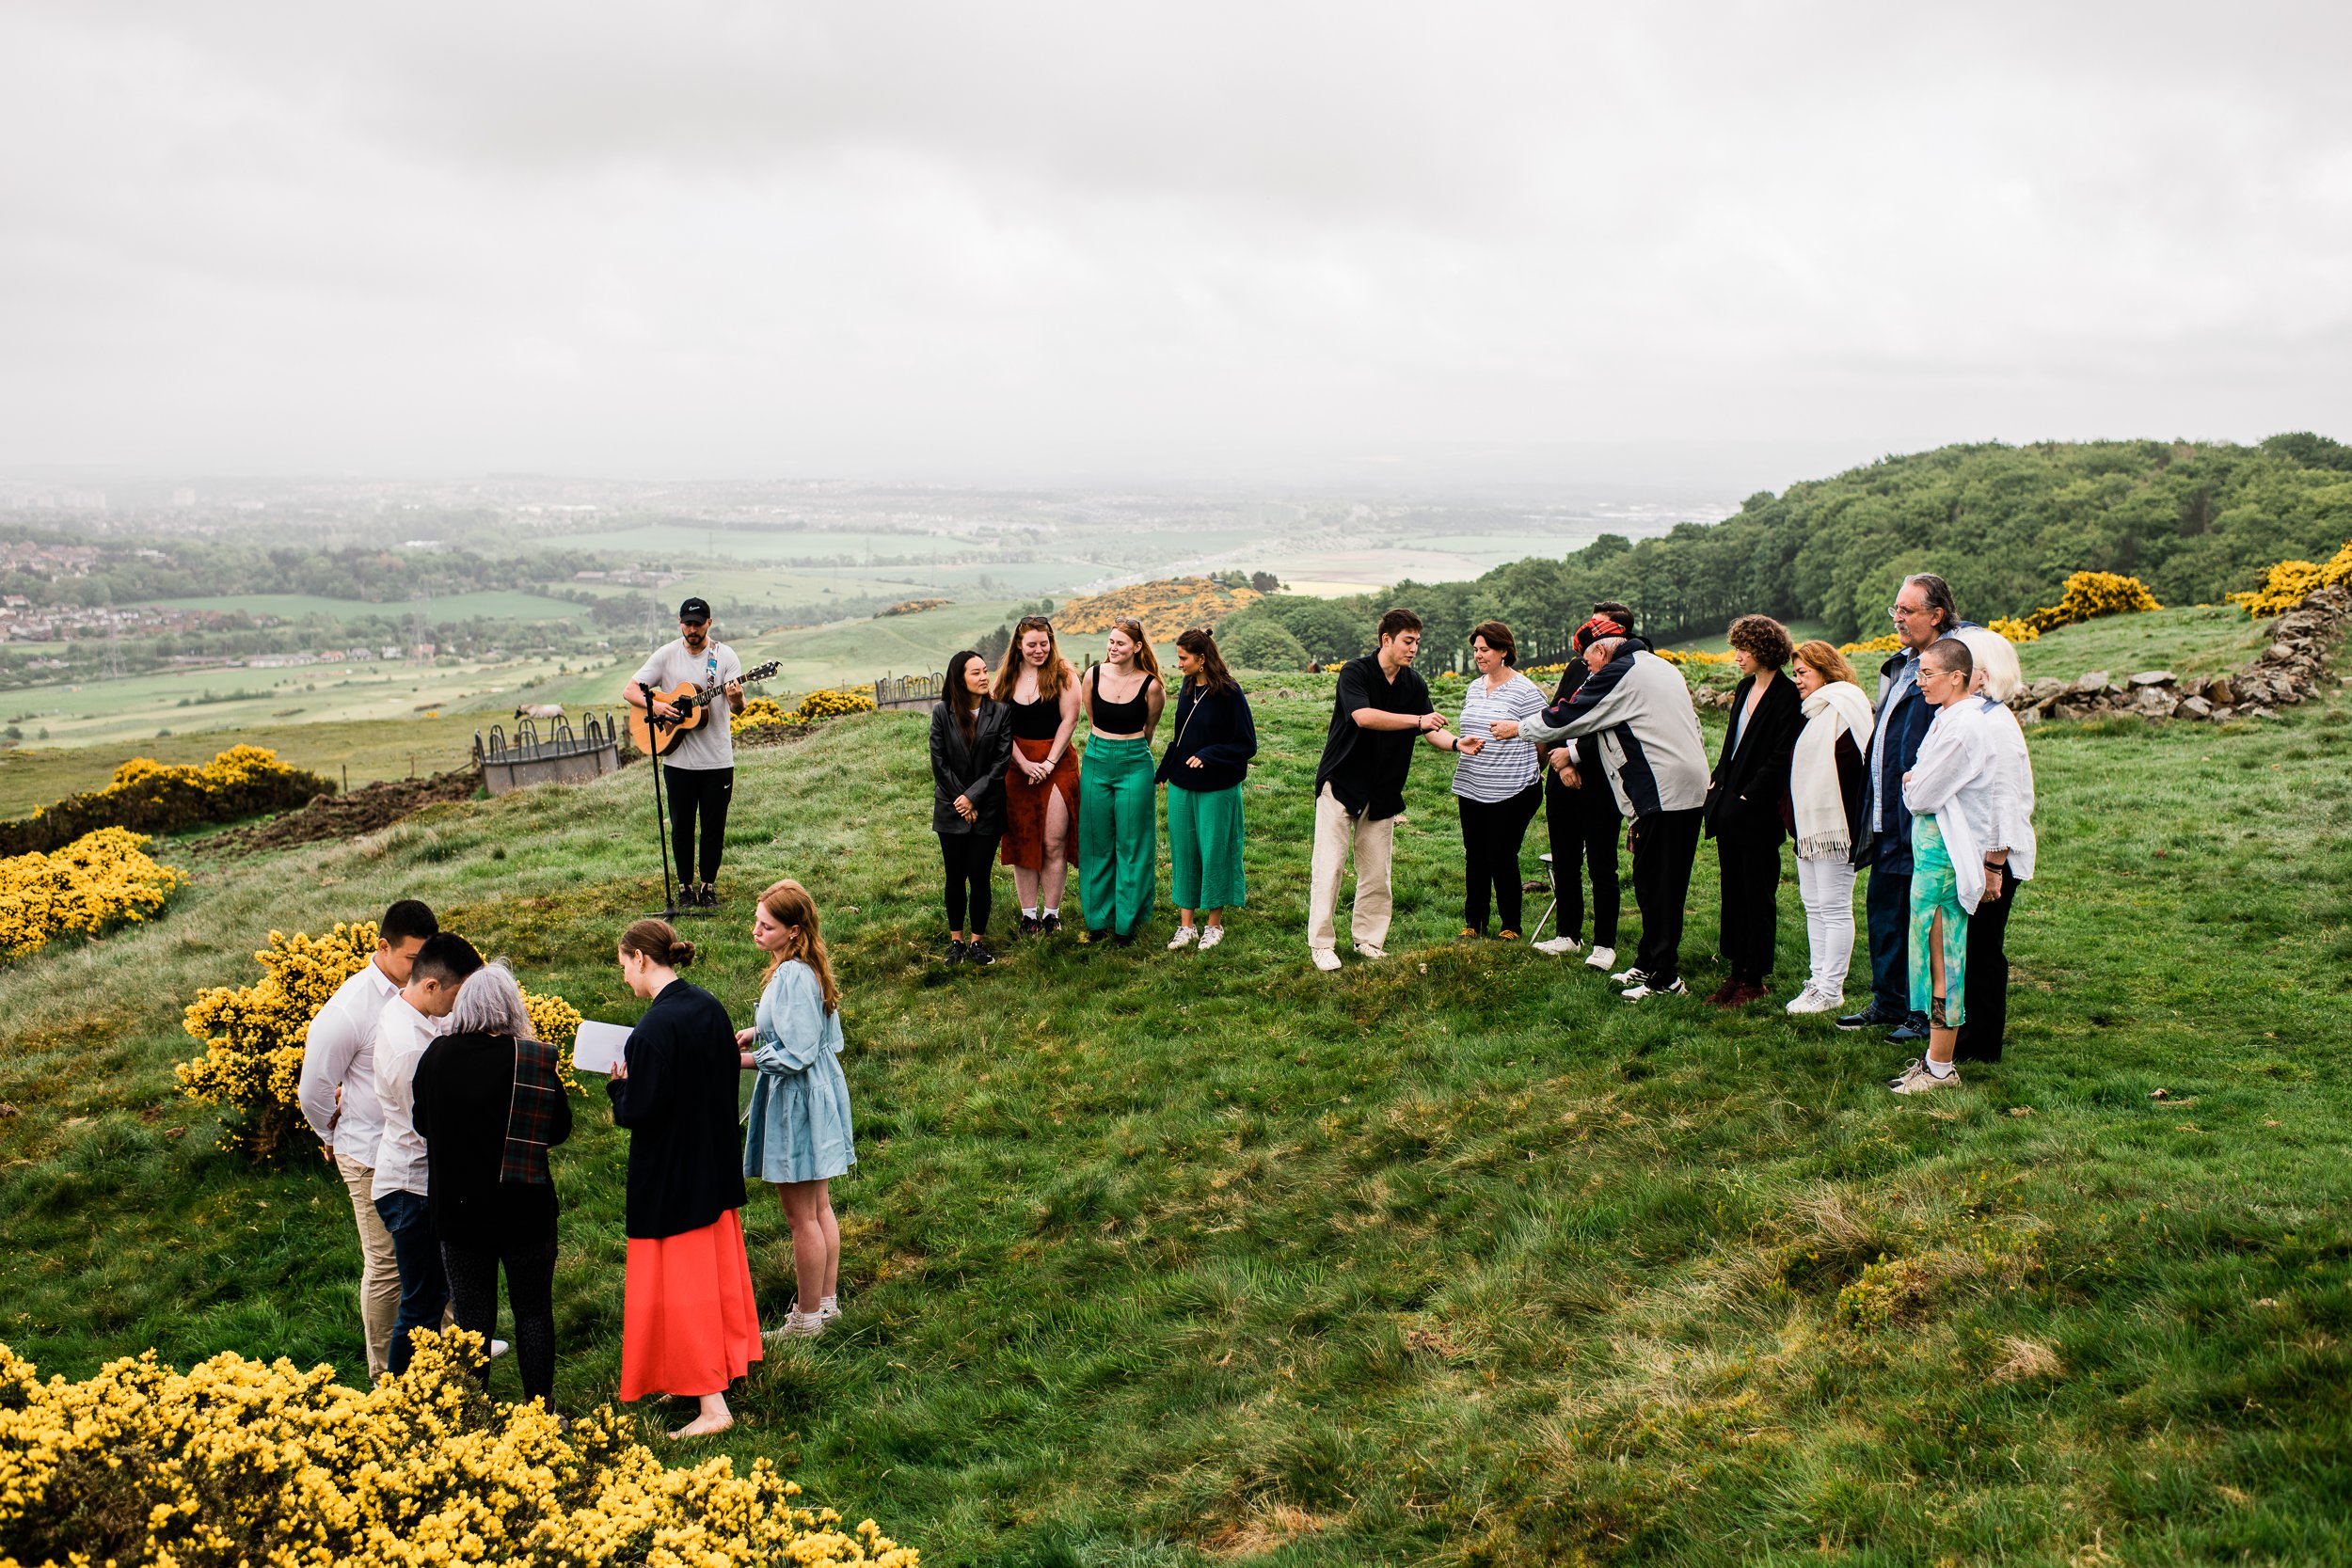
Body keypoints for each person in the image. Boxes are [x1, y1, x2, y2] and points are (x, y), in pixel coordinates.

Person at [1497, 624, 1709, 1001]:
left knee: (1657, 885)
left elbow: (1574, 713)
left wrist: (1519, 728)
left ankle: (1665, 980)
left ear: (1604, 649)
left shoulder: (1620, 672)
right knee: (1658, 881)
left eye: (1588, 658)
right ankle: (1650, 961)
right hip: (1684, 785)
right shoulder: (1657, 666)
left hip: (1661, 791)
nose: (1587, 667)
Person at [606, 919, 758, 1438]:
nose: (624, 975)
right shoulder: (708, 1006)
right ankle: (710, 1372)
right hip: (712, 1167)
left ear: (641, 959)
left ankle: (713, 1407)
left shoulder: (650, 1031)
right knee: (711, 1280)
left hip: (671, 1179)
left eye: (624, 963)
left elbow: (641, 1111)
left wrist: (617, 1090)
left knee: (684, 1287)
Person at [412, 961, 571, 1409]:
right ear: (510, 1005)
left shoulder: (436, 1056)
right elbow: (557, 1130)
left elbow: (422, 1123)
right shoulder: (531, 1057)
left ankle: (473, 1413)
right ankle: (540, 1412)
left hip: (459, 1213)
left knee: (471, 1318)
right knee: (534, 1313)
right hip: (525, 1209)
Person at [298, 897, 438, 1382]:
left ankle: (450, 1345)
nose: (420, 970)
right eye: (410, 959)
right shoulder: (349, 1009)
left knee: (435, 1251)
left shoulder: (426, 988)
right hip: (371, 1154)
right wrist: (331, 1133)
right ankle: (386, 1373)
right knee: (387, 1267)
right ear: (383, 946)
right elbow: (314, 1087)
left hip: (425, 1146)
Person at [1841, 573, 1977, 1044]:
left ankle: (1922, 1014)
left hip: (1921, 815)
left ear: (1936, 615)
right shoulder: (1901, 665)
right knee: (1883, 908)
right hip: (1885, 812)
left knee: (1921, 917)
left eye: (1907, 610)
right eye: (1894, 610)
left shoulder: (1950, 667)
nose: (1897, 618)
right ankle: (1889, 1000)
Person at [736, 879, 855, 1339]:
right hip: (819, 1093)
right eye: (757, 923)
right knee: (819, 1205)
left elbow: (799, 1050)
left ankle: (806, 1320)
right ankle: (826, 1306)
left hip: (798, 1100)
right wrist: (757, 1030)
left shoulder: (790, 974)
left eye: (766, 925)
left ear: (793, 929)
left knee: (800, 1214)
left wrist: (745, 1059)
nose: (756, 932)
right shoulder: (807, 967)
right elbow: (812, 1033)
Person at [1307, 608, 1448, 971]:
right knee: (1330, 866)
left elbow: (1431, 730)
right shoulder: (1356, 672)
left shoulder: (1414, 683)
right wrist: (1418, 721)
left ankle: (1368, 940)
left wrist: (1456, 743)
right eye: (1408, 641)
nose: (1414, 648)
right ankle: (1322, 945)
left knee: (1376, 871)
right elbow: (1363, 717)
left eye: (1417, 641)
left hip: (1383, 788)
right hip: (1342, 782)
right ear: (1387, 639)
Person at [1890, 637, 2001, 1093]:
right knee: (1932, 958)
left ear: (1958, 676)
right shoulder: (1947, 719)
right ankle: (1934, 1058)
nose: (1920, 682)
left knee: (1944, 961)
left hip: (1947, 862)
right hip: (1930, 860)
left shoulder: (1964, 728)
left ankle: (1940, 1067)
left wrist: (1912, 785)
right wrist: (1914, 782)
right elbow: (1918, 782)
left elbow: (1920, 793)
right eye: (1919, 674)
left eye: (1928, 674)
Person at [373, 931, 485, 1376]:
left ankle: (430, 1386)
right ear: (432, 986)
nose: (460, 1007)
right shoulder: (408, 1048)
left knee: (434, 1296)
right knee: (422, 1303)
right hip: (410, 1186)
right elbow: (430, 1130)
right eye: (459, 995)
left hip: (418, 1182)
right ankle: (400, 1399)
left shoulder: (420, 1014)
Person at [1702, 615, 1803, 1006]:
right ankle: (1735, 971)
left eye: (1743, 649)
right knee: (1733, 892)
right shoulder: (1745, 688)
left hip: (1758, 812)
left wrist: (1749, 797)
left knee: (1757, 894)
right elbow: (1730, 745)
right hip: (1729, 806)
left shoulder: (1786, 695)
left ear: (1763, 650)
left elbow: (1781, 756)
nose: (1737, 656)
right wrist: (1717, 781)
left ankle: (1755, 977)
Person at [623, 598, 745, 909]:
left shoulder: (725, 656)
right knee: (681, 826)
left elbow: (739, 709)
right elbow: (630, 690)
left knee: (714, 826)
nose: (693, 629)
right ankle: (684, 888)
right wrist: (658, 706)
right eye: (688, 623)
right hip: (677, 761)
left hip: (717, 760)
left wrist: (737, 697)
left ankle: (708, 887)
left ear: (709, 623)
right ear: (680, 623)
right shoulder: (666, 655)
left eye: (698, 623)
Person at [1533, 604, 1634, 971]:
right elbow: (1561, 711)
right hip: (1563, 779)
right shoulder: (1579, 667)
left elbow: (1615, 728)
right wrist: (1560, 761)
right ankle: (1567, 934)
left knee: (1603, 866)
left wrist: (1574, 758)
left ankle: (1604, 943)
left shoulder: (1631, 672)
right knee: (1565, 859)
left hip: (1602, 781)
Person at [1950, 626, 2036, 1063]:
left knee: (1983, 949)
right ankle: (1967, 1032)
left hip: (1992, 857)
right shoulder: (1978, 717)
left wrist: (1993, 866)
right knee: (1972, 946)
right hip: (1976, 853)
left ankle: (1981, 1042)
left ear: (1980, 675)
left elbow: (2004, 800)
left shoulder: (1995, 725)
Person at [1783, 641, 1876, 1015]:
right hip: (1810, 828)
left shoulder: (1847, 707)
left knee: (1834, 907)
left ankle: (1831, 988)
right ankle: (1816, 979)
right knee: (1812, 906)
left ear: (1826, 670)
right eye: (1796, 674)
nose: (1798, 681)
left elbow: (1858, 768)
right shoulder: (1817, 712)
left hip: (1838, 826)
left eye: (1803, 673)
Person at [1157, 626, 1257, 952]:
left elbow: (1246, 743)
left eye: (1183, 658)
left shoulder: (1229, 692)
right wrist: (1165, 769)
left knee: (1215, 851)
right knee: (1185, 852)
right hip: (1183, 786)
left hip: (1218, 787)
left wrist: (1209, 755)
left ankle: (1214, 925)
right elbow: (1182, 736)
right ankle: (1185, 925)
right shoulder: (1187, 687)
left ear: (1202, 659)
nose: (1179, 664)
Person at [1448, 621, 1548, 940]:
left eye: (1485, 649)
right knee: (1475, 854)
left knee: (1502, 855)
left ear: (1504, 650)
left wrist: (1531, 770)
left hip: (1513, 788)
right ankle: (1473, 923)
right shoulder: (1474, 687)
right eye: (1476, 650)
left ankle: (1510, 926)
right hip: (1472, 784)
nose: (1478, 655)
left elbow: (1543, 740)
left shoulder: (1527, 692)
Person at [1076, 618, 1166, 945]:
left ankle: (1126, 924)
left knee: (1132, 843)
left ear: (1137, 648)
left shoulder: (1151, 686)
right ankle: (1098, 919)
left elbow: (1149, 730)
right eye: (1111, 642)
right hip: (1097, 759)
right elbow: (1092, 718)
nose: (1113, 648)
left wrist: (1127, 749)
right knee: (1096, 841)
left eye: (1120, 644)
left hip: (1134, 763)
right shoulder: (1093, 675)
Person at [993, 615, 1081, 937]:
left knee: (1052, 841)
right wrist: (1022, 763)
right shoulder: (1005, 678)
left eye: (1044, 644)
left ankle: (1051, 914)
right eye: (1032, 645)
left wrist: (1047, 762)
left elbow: (1070, 719)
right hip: (1018, 768)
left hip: (1056, 764)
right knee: (1023, 841)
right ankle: (1028, 915)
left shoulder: (1063, 674)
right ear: (1019, 645)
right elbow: (1000, 727)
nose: (1039, 650)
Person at [930, 648, 1013, 967]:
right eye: (975, 673)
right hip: (950, 807)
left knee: (979, 876)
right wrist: (962, 801)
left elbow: (1000, 763)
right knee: (954, 876)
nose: (983, 677)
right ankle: (956, 941)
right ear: (959, 679)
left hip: (988, 807)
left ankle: (977, 942)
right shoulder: (942, 712)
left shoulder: (1001, 713)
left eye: (984, 671)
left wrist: (974, 798)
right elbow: (939, 763)